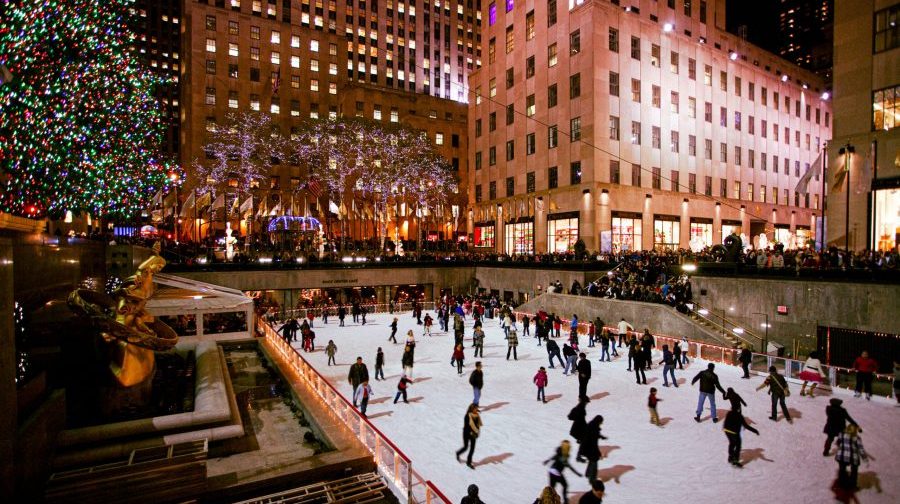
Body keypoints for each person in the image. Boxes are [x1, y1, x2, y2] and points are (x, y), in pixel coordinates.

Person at [834, 424, 868, 490]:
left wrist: (841, 447)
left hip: (841, 456)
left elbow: (837, 443)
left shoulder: (842, 434)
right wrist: (865, 459)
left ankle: (841, 483)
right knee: (854, 471)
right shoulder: (857, 438)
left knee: (842, 470)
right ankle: (852, 485)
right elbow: (861, 450)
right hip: (853, 457)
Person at [580, 415, 608, 484]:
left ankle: (587, 474)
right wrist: (598, 453)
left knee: (591, 461)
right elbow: (594, 443)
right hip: (590, 449)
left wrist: (601, 437)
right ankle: (592, 480)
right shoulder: (595, 429)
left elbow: (592, 435)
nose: (601, 423)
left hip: (586, 448)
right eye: (601, 422)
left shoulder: (591, 425)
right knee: (594, 464)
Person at [455, 404, 482, 469]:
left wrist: (477, 432)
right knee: (466, 447)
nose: (476, 410)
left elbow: (478, 425)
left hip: (474, 434)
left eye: (477, 408)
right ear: (472, 409)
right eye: (475, 408)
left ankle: (469, 462)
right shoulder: (467, 416)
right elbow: (467, 427)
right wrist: (472, 432)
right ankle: (458, 453)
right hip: (467, 433)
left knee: (472, 449)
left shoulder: (477, 415)